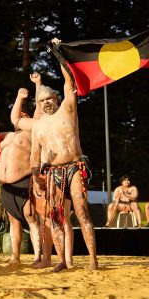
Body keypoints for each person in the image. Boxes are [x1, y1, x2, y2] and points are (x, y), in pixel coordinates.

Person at [30, 41, 98, 272]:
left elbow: (69, 80)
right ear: (37, 104)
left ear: (56, 99)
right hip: (51, 172)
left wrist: (60, 54)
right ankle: (61, 260)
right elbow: (34, 155)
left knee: (81, 211)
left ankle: (92, 260)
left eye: (49, 98)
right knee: (56, 216)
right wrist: (35, 177)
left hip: (74, 166)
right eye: (41, 101)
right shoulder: (37, 127)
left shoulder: (67, 109)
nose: (46, 103)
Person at [0, 74, 51, 267]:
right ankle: (15, 256)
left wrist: (37, 85)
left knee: (32, 218)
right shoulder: (8, 135)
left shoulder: (33, 132)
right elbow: (10, 120)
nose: (21, 117)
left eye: (24, 116)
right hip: (6, 185)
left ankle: (38, 256)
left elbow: (38, 109)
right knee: (13, 221)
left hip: (23, 180)